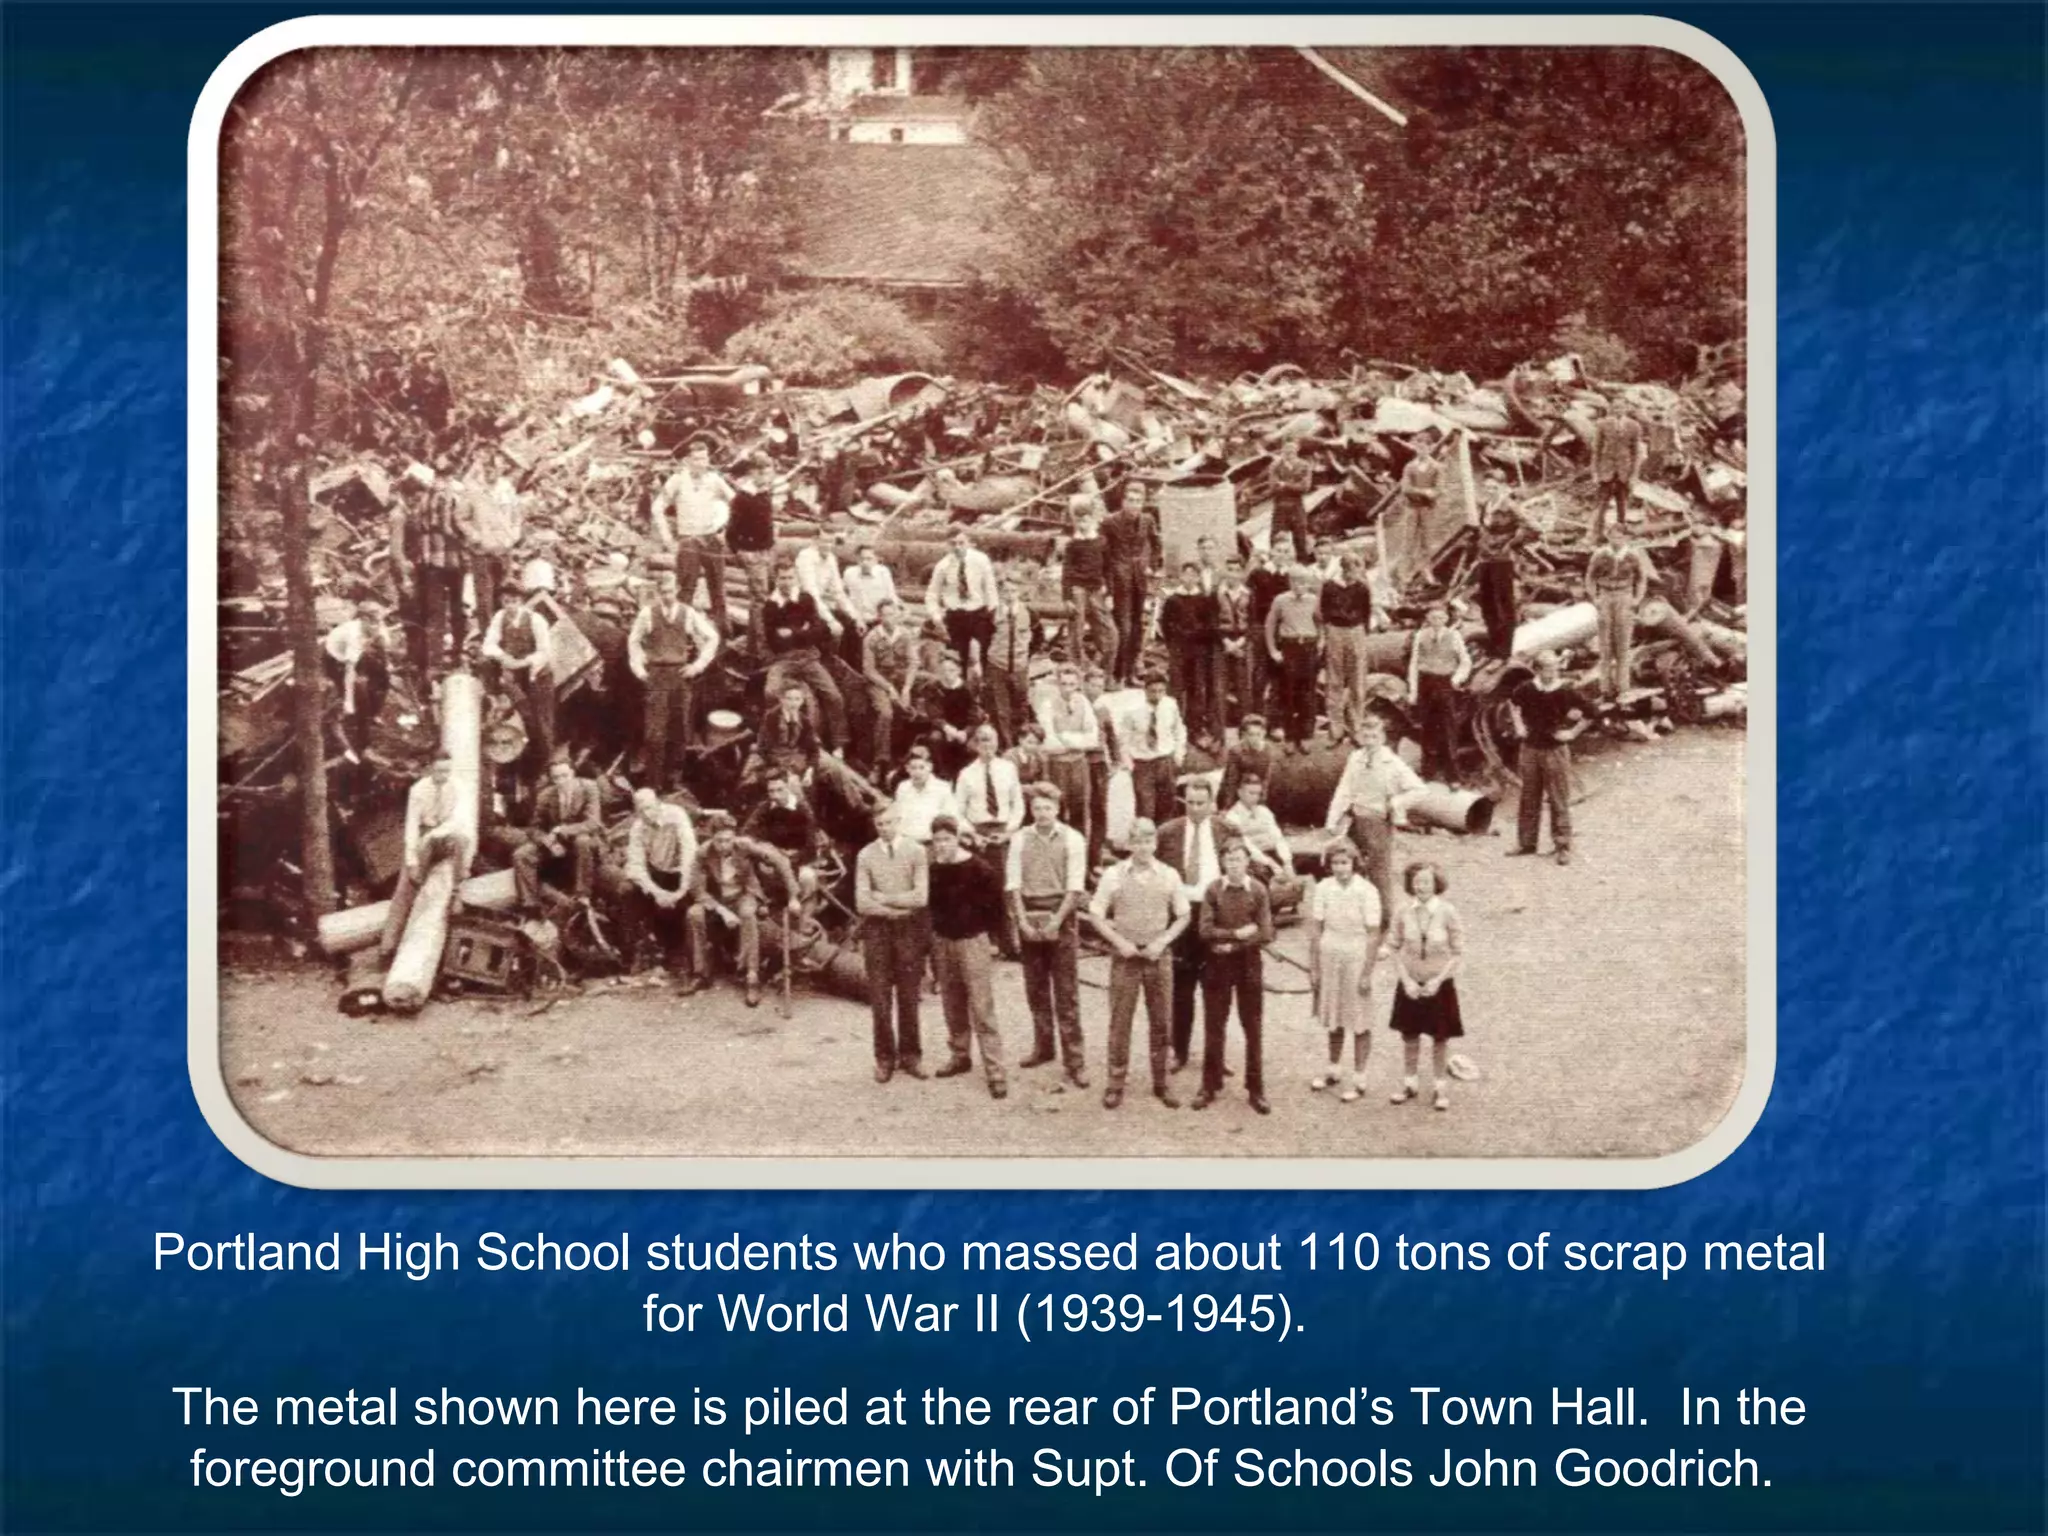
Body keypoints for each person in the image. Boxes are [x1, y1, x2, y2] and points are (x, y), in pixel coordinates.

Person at [1087, 818, 1190, 1110]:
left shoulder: (1169, 875)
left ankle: (1162, 1082)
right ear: (1129, 844)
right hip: (1126, 959)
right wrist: (1119, 942)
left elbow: (1183, 915)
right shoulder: (1114, 874)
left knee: (1162, 1023)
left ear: (1155, 844)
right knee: (1120, 1023)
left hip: (1158, 957)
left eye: (1148, 841)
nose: (1142, 847)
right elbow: (1095, 913)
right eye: (1137, 841)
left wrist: (1162, 941)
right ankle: (1115, 1083)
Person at [1006, 782, 1089, 1086]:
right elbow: (1013, 883)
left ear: (1057, 809)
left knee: (1066, 992)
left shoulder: (1073, 839)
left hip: (1061, 916)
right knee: (1036, 989)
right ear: (1031, 810)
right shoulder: (1019, 839)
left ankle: (1075, 1061)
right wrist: (1022, 922)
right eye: (1037, 808)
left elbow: (1075, 886)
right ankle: (1043, 1047)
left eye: (1048, 808)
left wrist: (1057, 921)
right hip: (1030, 913)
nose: (1042, 813)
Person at [925, 816, 1010, 1099]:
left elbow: (997, 908)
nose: (942, 845)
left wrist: (993, 941)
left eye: (946, 839)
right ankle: (960, 1056)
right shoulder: (934, 868)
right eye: (937, 840)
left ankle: (995, 1070)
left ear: (958, 838)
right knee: (952, 1003)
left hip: (973, 942)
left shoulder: (979, 868)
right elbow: (931, 908)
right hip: (943, 942)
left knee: (982, 1007)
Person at [1194, 840, 1274, 1114]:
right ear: (1223, 863)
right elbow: (1204, 930)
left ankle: (1256, 1089)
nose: (1235, 864)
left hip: (1248, 965)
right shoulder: (1213, 890)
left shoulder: (1259, 890)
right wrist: (1237, 934)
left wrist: (1234, 945)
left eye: (1239, 859)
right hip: (1217, 966)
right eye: (1229, 860)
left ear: (1247, 861)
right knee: (1214, 1025)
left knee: (1252, 1027)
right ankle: (1210, 1084)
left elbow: (1265, 933)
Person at [1155, 778, 1228, 1075]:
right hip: (1182, 914)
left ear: (1212, 803)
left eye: (1202, 803)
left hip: (1213, 914)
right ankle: (1180, 1051)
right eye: (1191, 803)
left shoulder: (1227, 830)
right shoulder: (1168, 832)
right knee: (1181, 988)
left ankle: (1217, 1056)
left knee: (1217, 989)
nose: (1196, 809)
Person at [1324, 712, 1425, 927]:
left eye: (1374, 737)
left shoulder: (1392, 763)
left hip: (1378, 823)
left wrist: (1396, 803)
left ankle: (1385, 921)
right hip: (1355, 821)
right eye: (1365, 736)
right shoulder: (1355, 758)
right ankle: (1354, 915)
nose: (1369, 741)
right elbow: (1344, 789)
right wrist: (1332, 820)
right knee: (1351, 868)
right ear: (1360, 737)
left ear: (1382, 738)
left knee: (1380, 874)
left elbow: (1419, 790)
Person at [856, 804, 931, 1084]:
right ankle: (884, 1058)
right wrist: (895, 909)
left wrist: (884, 898)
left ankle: (911, 1056)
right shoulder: (865, 855)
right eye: (879, 824)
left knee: (909, 995)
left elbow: (921, 897)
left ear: (899, 820)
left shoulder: (916, 851)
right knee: (879, 997)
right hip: (877, 932)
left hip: (909, 932)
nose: (884, 828)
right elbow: (862, 901)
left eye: (888, 822)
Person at [626, 571, 720, 793]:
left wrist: (697, 666)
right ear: (658, 593)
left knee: (679, 731)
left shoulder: (688, 613)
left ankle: (673, 780)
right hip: (657, 677)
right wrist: (639, 669)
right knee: (654, 734)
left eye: (670, 591)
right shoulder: (647, 614)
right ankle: (653, 783)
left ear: (677, 589)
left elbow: (712, 638)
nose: (667, 596)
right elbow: (634, 642)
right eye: (662, 592)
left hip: (680, 676)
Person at [1307, 840, 1384, 1103]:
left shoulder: (1367, 891)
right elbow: (1315, 930)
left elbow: (1374, 934)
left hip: (1356, 955)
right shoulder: (1322, 888)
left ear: (1354, 863)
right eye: (1335, 863)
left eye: (1345, 863)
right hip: (1330, 954)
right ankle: (1333, 1069)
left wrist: (1366, 973)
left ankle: (1360, 1077)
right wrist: (1314, 967)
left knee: (1359, 1019)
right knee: (1334, 1016)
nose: (1340, 868)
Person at [377, 756, 474, 963]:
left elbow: (459, 819)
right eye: (439, 771)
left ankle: (456, 893)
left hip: (448, 833)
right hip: (424, 836)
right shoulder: (419, 790)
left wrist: (439, 835)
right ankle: (388, 948)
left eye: (447, 771)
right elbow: (411, 826)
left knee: (461, 840)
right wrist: (412, 861)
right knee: (405, 888)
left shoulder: (458, 787)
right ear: (430, 769)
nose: (443, 776)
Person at [1386, 861, 1465, 1112]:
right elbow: (1394, 947)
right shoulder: (1402, 911)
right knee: (1409, 1035)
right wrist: (1406, 980)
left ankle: (1440, 1089)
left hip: (1438, 986)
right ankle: (1410, 1084)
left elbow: (1457, 952)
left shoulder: (1448, 911)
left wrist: (1438, 980)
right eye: (1417, 882)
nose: (1421, 886)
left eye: (1426, 882)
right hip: (1410, 985)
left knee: (1439, 1038)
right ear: (1411, 885)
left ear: (1436, 884)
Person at [1507, 649, 1593, 865]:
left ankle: (1562, 845)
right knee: (1529, 796)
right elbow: (1513, 703)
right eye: (1548, 668)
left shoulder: (1566, 690)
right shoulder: (1527, 689)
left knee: (1558, 798)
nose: (1553, 672)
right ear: (1537, 670)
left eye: (1555, 667)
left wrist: (1572, 733)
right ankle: (1526, 843)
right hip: (1530, 749)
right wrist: (1518, 725)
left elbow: (1593, 712)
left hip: (1555, 750)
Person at [761, 559, 848, 751]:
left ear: (796, 578)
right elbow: (774, 642)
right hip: (783, 659)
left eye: (790, 577)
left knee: (834, 696)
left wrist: (792, 633)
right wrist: (803, 630)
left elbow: (820, 630)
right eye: (782, 578)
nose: (786, 582)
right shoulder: (770, 606)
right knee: (770, 693)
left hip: (808, 657)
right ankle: (774, 739)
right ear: (776, 579)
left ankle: (839, 743)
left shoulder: (806, 599)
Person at [652, 437, 735, 636]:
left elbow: (737, 503)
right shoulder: (678, 480)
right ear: (688, 461)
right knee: (687, 588)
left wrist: (727, 531)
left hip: (711, 539)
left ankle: (724, 633)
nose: (701, 463)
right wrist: (668, 539)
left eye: (704, 459)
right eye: (696, 459)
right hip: (688, 540)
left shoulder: (714, 480)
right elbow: (657, 508)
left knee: (718, 589)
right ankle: (678, 633)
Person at [387, 476, 467, 681]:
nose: (419, 501)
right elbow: (396, 552)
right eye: (416, 497)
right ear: (408, 496)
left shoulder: (412, 512)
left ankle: (420, 660)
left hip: (419, 568)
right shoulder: (398, 516)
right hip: (407, 570)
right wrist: (406, 577)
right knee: (414, 615)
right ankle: (417, 661)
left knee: (424, 613)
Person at [683, 812, 765, 1007]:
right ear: (711, 838)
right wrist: (722, 910)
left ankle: (751, 975)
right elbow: (697, 889)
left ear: (734, 837)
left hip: (744, 895)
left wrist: (793, 895)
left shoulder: (744, 846)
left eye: (728, 840)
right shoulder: (703, 853)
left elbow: (777, 860)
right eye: (718, 841)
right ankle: (701, 973)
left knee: (747, 914)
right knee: (694, 914)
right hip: (718, 900)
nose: (723, 846)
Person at [504, 758, 605, 911]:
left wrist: (563, 830)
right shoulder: (545, 795)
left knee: (582, 840)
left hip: (584, 840)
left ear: (573, 773)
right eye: (556, 778)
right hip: (556, 843)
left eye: (565, 776)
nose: (561, 781)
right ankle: (530, 905)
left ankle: (583, 894)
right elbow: (535, 828)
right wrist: (550, 843)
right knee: (521, 854)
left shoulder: (589, 787)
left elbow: (593, 823)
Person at [621, 787, 698, 977]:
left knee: (682, 905)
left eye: (649, 807)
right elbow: (635, 865)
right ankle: (636, 950)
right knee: (627, 891)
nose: (647, 814)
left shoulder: (676, 815)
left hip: (681, 872)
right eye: (641, 810)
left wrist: (681, 889)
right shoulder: (638, 828)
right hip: (657, 874)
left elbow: (690, 853)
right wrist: (657, 893)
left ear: (658, 804)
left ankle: (682, 954)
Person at [1035, 662, 1100, 866]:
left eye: (1072, 684)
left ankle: (1079, 862)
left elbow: (1093, 738)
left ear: (1078, 684)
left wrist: (1066, 737)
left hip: (1079, 765)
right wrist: (1074, 740)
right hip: (1058, 766)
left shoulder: (1083, 702)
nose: (1068, 688)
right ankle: (1057, 861)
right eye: (1064, 684)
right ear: (1058, 684)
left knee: (1080, 811)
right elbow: (1049, 743)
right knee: (1059, 810)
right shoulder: (1047, 704)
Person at [1585, 520, 1655, 701]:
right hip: (1606, 595)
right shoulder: (1599, 554)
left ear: (1626, 537)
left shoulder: (1633, 555)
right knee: (1605, 645)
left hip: (1625, 596)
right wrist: (1596, 597)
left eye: (1620, 536)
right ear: (1608, 536)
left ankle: (1623, 688)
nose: (1617, 539)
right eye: (1613, 535)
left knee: (1623, 645)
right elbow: (1590, 577)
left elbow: (1641, 579)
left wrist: (1637, 599)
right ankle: (1605, 689)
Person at [1407, 603, 1474, 784]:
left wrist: (1457, 679)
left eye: (1440, 618)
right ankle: (1428, 771)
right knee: (1427, 727)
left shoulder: (1454, 636)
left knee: (1448, 728)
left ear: (1446, 619)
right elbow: (1413, 663)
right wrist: (1413, 690)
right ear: (1427, 618)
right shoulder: (1420, 636)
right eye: (1433, 617)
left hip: (1445, 683)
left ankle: (1452, 774)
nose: (1437, 621)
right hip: (1426, 683)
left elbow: (1465, 661)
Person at [321, 600, 392, 763]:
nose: (378, 625)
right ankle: (364, 747)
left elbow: (384, 646)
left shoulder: (377, 626)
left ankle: (374, 713)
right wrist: (348, 700)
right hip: (338, 662)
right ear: (364, 620)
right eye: (374, 622)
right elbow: (349, 670)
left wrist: (385, 664)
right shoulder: (353, 636)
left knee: (384, 679)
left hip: (359, 654)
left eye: (380, 621)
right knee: (361, 697)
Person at [1100, 483, 1156, 683]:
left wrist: (1150, 565)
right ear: (1123, 502)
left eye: (1138, 501)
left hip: (1139, 580)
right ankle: (1118, 673)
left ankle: (1131, 672)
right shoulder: (1109, 522)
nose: (1134, 505)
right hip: (1118, 582)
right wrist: (1106, 586)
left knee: (1137, 627)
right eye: (1130, 500)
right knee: (1123, 628)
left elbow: (1156, 543)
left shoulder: (1147, 520)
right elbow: (1103, 557)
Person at [1318, 551, 1374, 747]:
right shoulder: (1330, 587)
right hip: (1335, 631)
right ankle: (1336, 727)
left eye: (1358, 571)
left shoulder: (1362, 588)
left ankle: (1356, 726)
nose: (1355, 576)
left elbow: (1367, 612)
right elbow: (1323, 611)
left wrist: (1360, 633)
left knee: (1357, 681)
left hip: (1356, 631)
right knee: (1335, 680)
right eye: (1351, 571)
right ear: (1344, 569)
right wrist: (1328, 633)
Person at [1156, 561, 1217, 742]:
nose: (1189, 578)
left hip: (1198, 653)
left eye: (1193, 575)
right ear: (1181, 577)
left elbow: (1209, 626)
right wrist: (1174, 642)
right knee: (1176, 688)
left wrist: (1198, 639)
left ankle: (1194, 728)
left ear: (1198, 578)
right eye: (1186, 574)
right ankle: (1170, 728)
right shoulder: (1173, 600)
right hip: (1179, 651)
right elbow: (1165, 625)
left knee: (1196, 690)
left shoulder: (1204, 600)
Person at [859, 598, 922, 774]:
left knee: (930, 684)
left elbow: (913, 662)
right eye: (885, 615)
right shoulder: (872, 637)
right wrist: (889, 688)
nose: (889, 618)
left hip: (900, 677)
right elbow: (868, 670)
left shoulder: (905, 634)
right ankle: (881, 761)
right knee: (886, 713)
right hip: (878, 680)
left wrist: (907, 688)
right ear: (879, 617)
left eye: (892, 614)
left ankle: (919, 750)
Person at [1264, 567, 1323, 751]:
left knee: (1308, 693)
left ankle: (1306, 735)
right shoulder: (1281, 600)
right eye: (1296, 582)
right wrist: (1273, 650)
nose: (1300, 586)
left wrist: (1321, 641)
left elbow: (1321, 622)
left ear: (1308, 584)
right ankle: (1290, 736)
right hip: (1289, 647)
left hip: (1309, 646)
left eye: (1304, 582)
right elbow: (1269, 626)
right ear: (1290, 583)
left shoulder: (1314, 600)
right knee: (1287, 693)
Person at [924, 528, 999, 670]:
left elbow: (990, 587)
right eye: (953, 544)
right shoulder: (942, 566)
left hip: (979, 613)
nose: (957, 547)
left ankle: (985, 687)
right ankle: (961, 688)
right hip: (956, 616)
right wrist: (936, 617)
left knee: (986, 654)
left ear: (969, 543)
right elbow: (932, 594)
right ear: (947, 545)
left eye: (961, 543)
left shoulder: (981, 560)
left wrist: (993, 611)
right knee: (957, 658)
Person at [1118, 670, 1186, 826]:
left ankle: (1164, 846)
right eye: (1153, 691)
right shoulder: (1132, 710)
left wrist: (1178, 755)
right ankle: (1145, 845)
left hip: (1165, 761)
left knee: (1167, 807)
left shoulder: (1170, 705)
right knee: (1145, 810)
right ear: (1145, 690)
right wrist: (1130, 765)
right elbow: (1123, 740)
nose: (1157, 695)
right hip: (1143, 764)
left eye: (1161, 691)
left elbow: (1179, 730)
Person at [724, 460, 778, 652]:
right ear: (753, 474)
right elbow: (731, 530)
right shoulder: (743, 498)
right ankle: (758, 646)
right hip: (752, 553)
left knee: (769, 593)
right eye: (761, 473)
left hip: (767, 551)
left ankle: (756, 641)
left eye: (768, 473)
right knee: (759, 599)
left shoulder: (764, 494)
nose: (765, 478)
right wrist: (740, 551)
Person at [1223, 773, 1300, 905]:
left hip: (1271, 853)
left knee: (1293, 871)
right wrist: (1270, 863)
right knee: (1262, 873)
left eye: (1258, 794)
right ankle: (1266, 904)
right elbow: (1247, 846)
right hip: (1253, 858)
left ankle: (1286, 898)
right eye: (1251, 793)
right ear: (1240, 792)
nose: (1255, 797)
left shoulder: (1264, 811)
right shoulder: (1232, 816)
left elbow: (1278, 837)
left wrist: (1287, 862)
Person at [1059, 498, 1114, 666]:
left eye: (1086, 519)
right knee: (1076, 628)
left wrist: (1110, 592)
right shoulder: (1073, 545)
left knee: (1107, 628)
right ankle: (1077, 664)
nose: (1083, 523)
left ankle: (1103, 662)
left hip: (1097, 588)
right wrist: (1067, 597)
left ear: (1092, 519)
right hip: (1078, 589)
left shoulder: (1102, 542)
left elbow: (1108, 569)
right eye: (1079, 520)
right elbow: (1066, 571)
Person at [983, 574, 1037, 745]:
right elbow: (984, 640)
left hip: (1020, 667)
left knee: (1021, 706)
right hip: (998, 666)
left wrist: (1026, 654)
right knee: (1001, 710)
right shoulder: (992, 614)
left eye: (1013, 590)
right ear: (1000, 593)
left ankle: (1023, 742)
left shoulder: (1029, 612)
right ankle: (1006, 745)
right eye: (1006, 591)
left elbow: (1038, 636)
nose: (1010, 594)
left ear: (1019, 592)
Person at [1472, 506, 1532, 658]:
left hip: (1502, 561)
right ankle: (1493, 645)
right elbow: (1480, 527)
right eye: (1488, 485)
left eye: (1494, 485)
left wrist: (1510, 543)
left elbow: (1529, 525)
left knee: (1504, 605)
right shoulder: (1486, 505)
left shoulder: (1509, 504)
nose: (1490, 488)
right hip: (1485, 560)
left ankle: (1505, 649)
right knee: (1487, 604)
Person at [954, 724, 1024, 853]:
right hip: (977, 832)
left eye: (990, 739)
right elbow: (958, 810)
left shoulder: (1009, 769)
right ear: (975, 744)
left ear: (997, 742)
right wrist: (973, 834)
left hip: (1004, 829)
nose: (986, 745)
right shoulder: (966, 774)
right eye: (981, 740)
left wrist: (1008, 832)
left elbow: (1018, 804)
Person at [916, 650, 983, 780]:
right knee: (935, 738)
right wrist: (947, 728)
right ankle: (942, 773)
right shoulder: (934, 687)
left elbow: (974, 715)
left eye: (952, 670)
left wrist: (965, 732)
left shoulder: (967, 688)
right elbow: (934, 715)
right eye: (944, 671)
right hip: (943, 728)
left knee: (974, 746)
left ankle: (967, 775)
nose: (948, 675)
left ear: (959, 671)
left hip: (963, 729)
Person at [1243, 546, 1291, 720]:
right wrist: (1254, 628)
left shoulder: (1290, 576)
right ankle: (1258, 716)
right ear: (1272, 554)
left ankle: (1276, 720)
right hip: (1261, 628)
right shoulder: (1258, 574)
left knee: (1280, 674)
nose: (1282, 555)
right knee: (1260, 674)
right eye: (1279, 551)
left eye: (1286, 551)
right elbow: (1248, 601)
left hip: (1284, 630)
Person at [1589, 404, 1648, 541]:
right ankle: (1597, 533)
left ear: (1625, 409)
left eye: (1620, 408)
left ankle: (1621, 532)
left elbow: (1636, 453)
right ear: (1610, 409)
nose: (1618, 410)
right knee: (1602, 503)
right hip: (1606, 469)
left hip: (1624, 471)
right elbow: (1596, 450)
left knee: (1622, 503)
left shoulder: (1634, 426)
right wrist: (1595, 473)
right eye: (1615, 408)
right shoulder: (1602, 424)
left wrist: (1634, 475)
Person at [840, 542, 898, 671]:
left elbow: (891, 596)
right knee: (851, 656)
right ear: (857, 559)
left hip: (878, 620)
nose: (865, 562)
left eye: (869, 559)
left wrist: (890, 616)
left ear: (876, 560)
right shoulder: (849, 573)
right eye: (862, 559)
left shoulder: (883, 572)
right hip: (857, 621)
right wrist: (856, 618)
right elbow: (842, 597)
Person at [1212, 555, 1253, 734]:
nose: (1233, 575)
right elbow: (1212, 620)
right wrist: (1226, 641)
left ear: (1242, 573)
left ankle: (1245, 732)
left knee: (1243, 687)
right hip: (1222, 642)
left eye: (1237, 570)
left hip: (1242, 643)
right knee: (1219, 689)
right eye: (1230, 570)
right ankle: (1218, 734)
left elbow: (1254, 620)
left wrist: (1241, 642)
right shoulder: (1217, 593)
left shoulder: (1249, 594)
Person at [892, 745, 955, 846]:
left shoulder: (942, 788)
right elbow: (898, 817)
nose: (917, 772)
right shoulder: (903, 788)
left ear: (930, 767)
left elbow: (950, 818)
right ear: (907, 768)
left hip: (932, 843)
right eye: (913, 768)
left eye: (921, 767)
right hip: (906, 843)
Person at [1217, 714, 1278, 812]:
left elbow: (1266, 779)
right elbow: (1231, 781)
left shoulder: (1267, 751)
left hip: (1257, 793)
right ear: (1244, 734)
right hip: (1239, 793)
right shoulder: (1236, 751)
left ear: (1264, 733)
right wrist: (1228, 807)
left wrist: (1261, 804)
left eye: (1258, 734)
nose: (1255, 738)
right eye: (1251, 734)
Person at [1269, 436, 1314, 565]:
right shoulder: (1275, 466)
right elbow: (1273, 487)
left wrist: (1285, 484)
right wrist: (1294, 485)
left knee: (1300, 539)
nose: (1289, 452)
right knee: (1275, 540)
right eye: (1286, 449)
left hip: (1297, 506)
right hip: (1280, 506)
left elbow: (1305, 487)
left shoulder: (1304, 465)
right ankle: (1275, 568)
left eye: (1292, 448)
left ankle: (1302, 566)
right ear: (1281, 449)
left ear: (1297, 449)